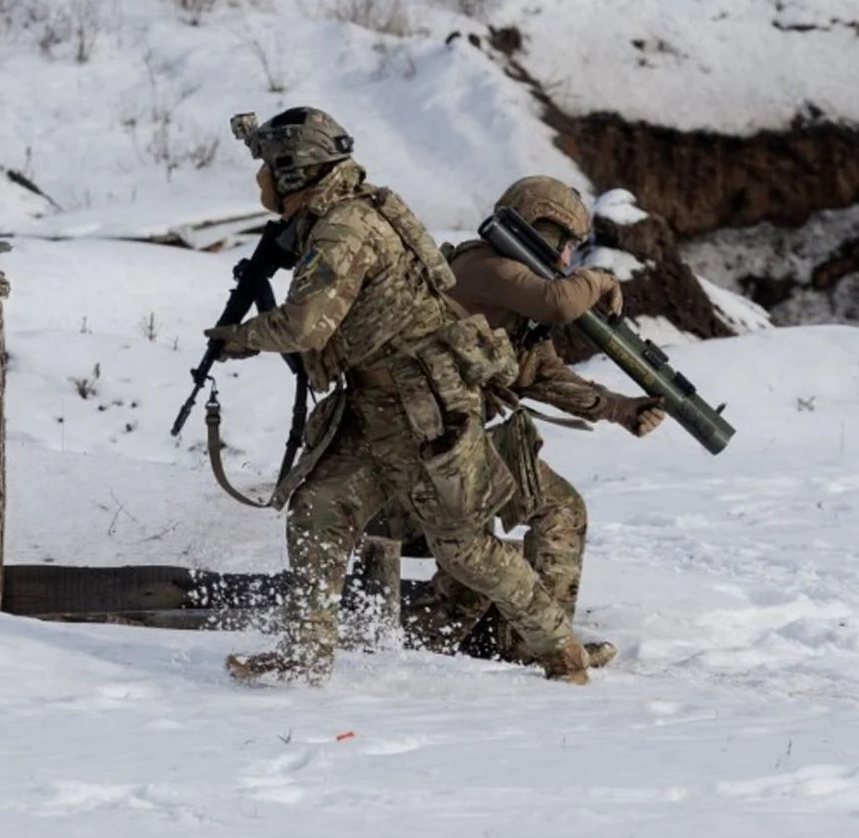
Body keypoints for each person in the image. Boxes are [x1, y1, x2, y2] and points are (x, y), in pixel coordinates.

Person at [205, 108, 591, 685]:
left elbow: (307, 327)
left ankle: (562, 653)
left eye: (267, 164)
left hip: (426, 412)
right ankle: (308, 650)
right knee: (316, 513)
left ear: (293, 170)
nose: (261, 178)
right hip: (372, 407)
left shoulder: (344, 228)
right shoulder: (339, 213)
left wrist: (239, 338)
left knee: (465, 550)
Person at [399, 176, 667, 667]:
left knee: (544, 516)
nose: (566, 258)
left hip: (458, 448)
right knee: (544, 518)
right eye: (563, 243)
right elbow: (560, 303)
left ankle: (466, 639)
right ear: (537, 228)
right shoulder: (483, 268)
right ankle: (533, 645)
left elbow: (543, 374)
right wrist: (601, 279)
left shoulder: (511, 292)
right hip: (425, 451)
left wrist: (621, 410)